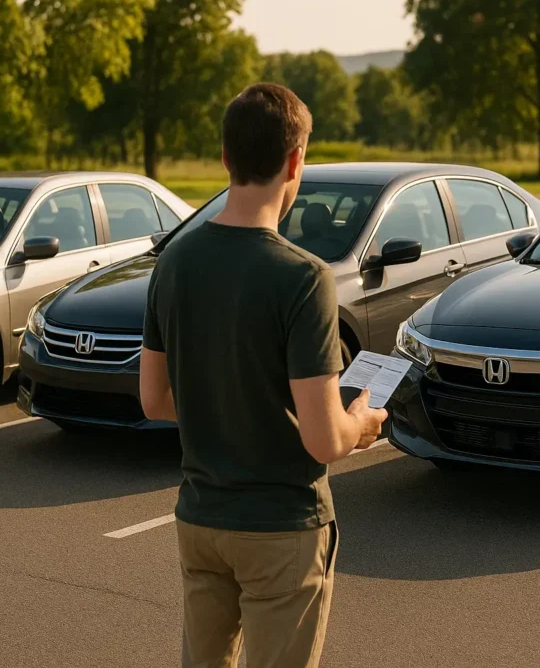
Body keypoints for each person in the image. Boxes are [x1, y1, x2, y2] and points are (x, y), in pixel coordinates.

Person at [139, 83, 388, 668]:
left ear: (226, 156)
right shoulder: (302, 277)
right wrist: (362, 422)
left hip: (200, 519)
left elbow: (154, 400)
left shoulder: (173, 261)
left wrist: (226, 401)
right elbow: (324, 440)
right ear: (296, 160)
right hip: (281, 526)